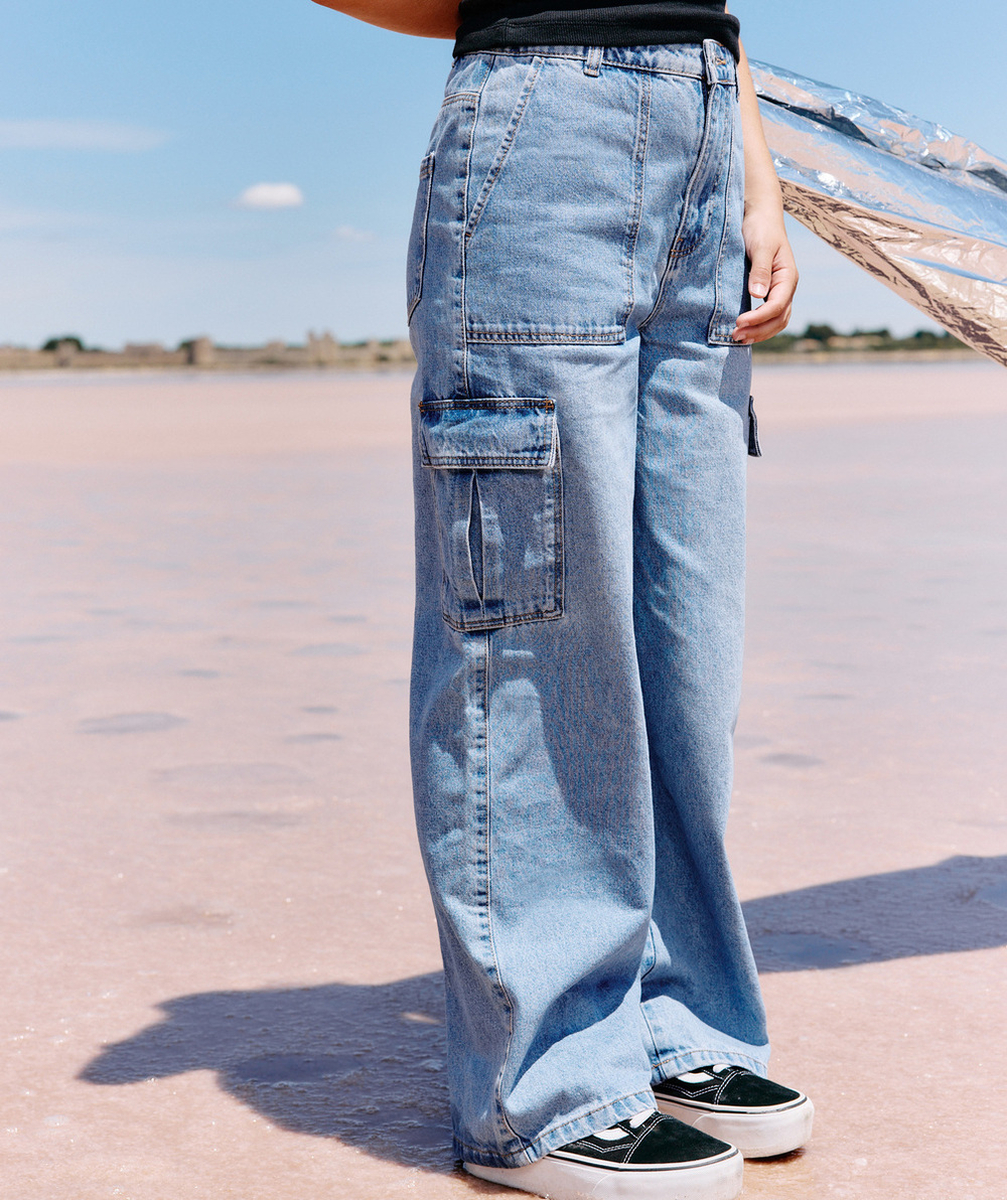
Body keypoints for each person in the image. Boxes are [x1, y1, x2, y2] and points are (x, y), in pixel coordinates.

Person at [313, 3, 807, 1197]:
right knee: (533, 627)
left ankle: (674, 1020)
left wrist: (755, 171)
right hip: (542, 134)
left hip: (698, 131)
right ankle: (543, 1080)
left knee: (681, 636)